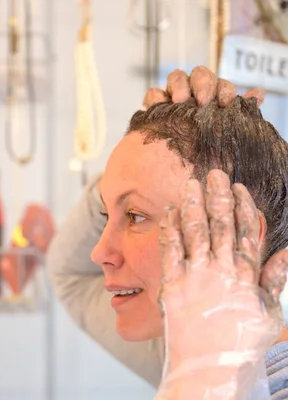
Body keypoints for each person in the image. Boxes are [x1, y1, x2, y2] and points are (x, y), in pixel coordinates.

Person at [44, 67, 288, 397]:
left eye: (135, 216)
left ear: (239, 229)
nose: (99, 253)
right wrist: (133, 169)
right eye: (105, 215)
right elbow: (69, 275)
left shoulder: (199, 368)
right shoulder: (182, 348)